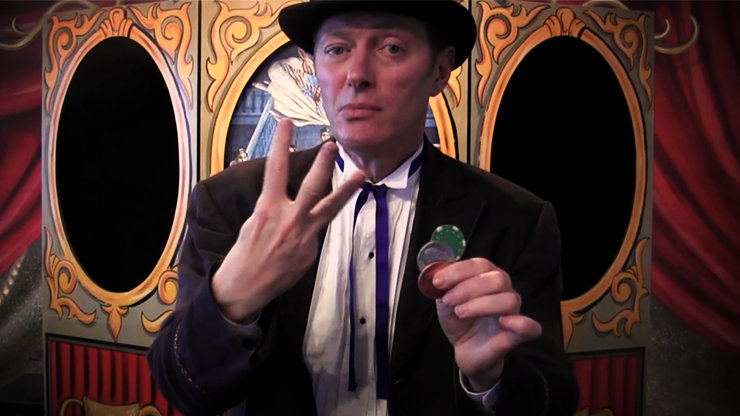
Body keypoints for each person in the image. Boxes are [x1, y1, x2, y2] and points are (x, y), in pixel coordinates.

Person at [147, 1, 579, 415]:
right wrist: (232, 300)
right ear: (314, 66)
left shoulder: (516, 218)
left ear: (440, 70)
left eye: (391, 48)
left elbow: (552, 401)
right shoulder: (231, 201)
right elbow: (183, 389)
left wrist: (491, 378)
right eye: (337, 50)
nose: (356, 75)